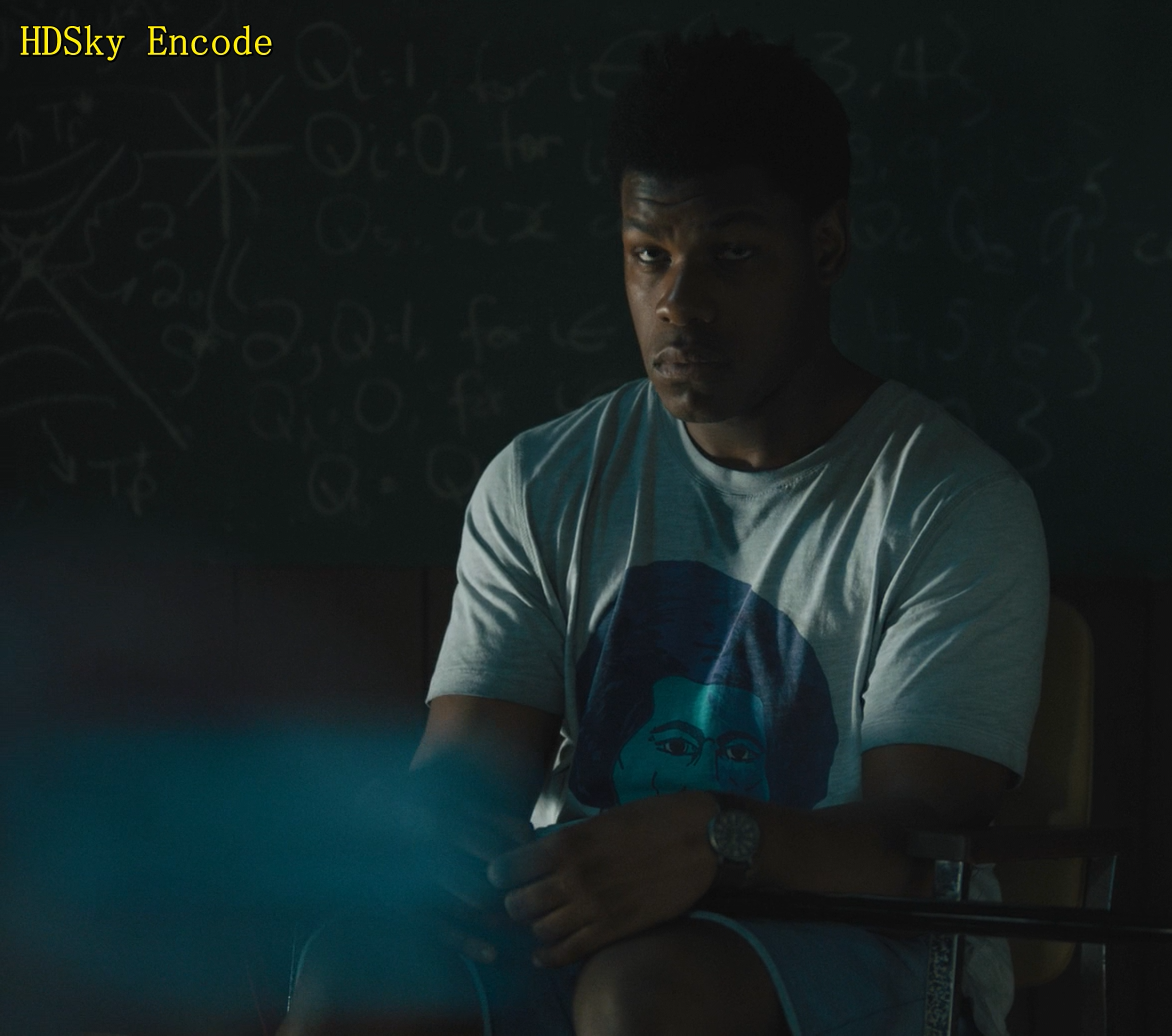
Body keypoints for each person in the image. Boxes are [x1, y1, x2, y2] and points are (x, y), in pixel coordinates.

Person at [279, 26, 1049, 1036]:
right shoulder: (544, 480)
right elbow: (466, 775)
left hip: (859, 935)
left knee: (642, 997)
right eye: (650, 256)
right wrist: (440, 840)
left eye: (732, 255)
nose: (680, 304)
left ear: (825, 246)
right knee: (358, 969)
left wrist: (717, 840)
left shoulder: (950, 502)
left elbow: (916, 846)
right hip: (580, 916)